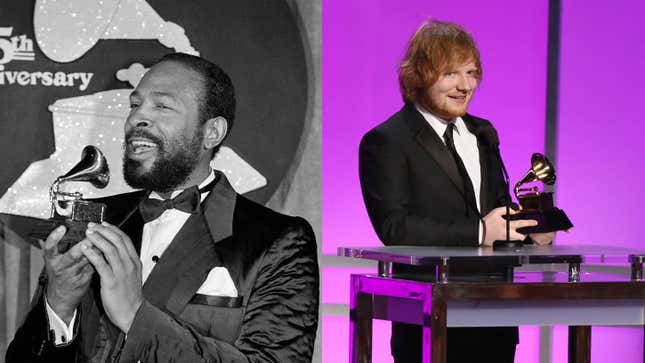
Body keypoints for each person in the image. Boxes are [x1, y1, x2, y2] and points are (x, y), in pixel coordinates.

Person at [7, 53, 319, 362]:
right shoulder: (97, 220)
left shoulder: (279, 241)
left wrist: (135, 316)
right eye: (134, 104)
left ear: (212, 132)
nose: (136, 118)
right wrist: (59, 304)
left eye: (162, 106)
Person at [358, 20, 553, 362]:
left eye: (472, 73)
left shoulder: (483, 132)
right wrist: (479, 231)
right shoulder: (386, 141)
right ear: (418, 74)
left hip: (495, 316)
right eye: (451, 73)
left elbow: (497, 211)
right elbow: (395, 228)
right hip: (429, 320)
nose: (465, 86)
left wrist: (533, 230)